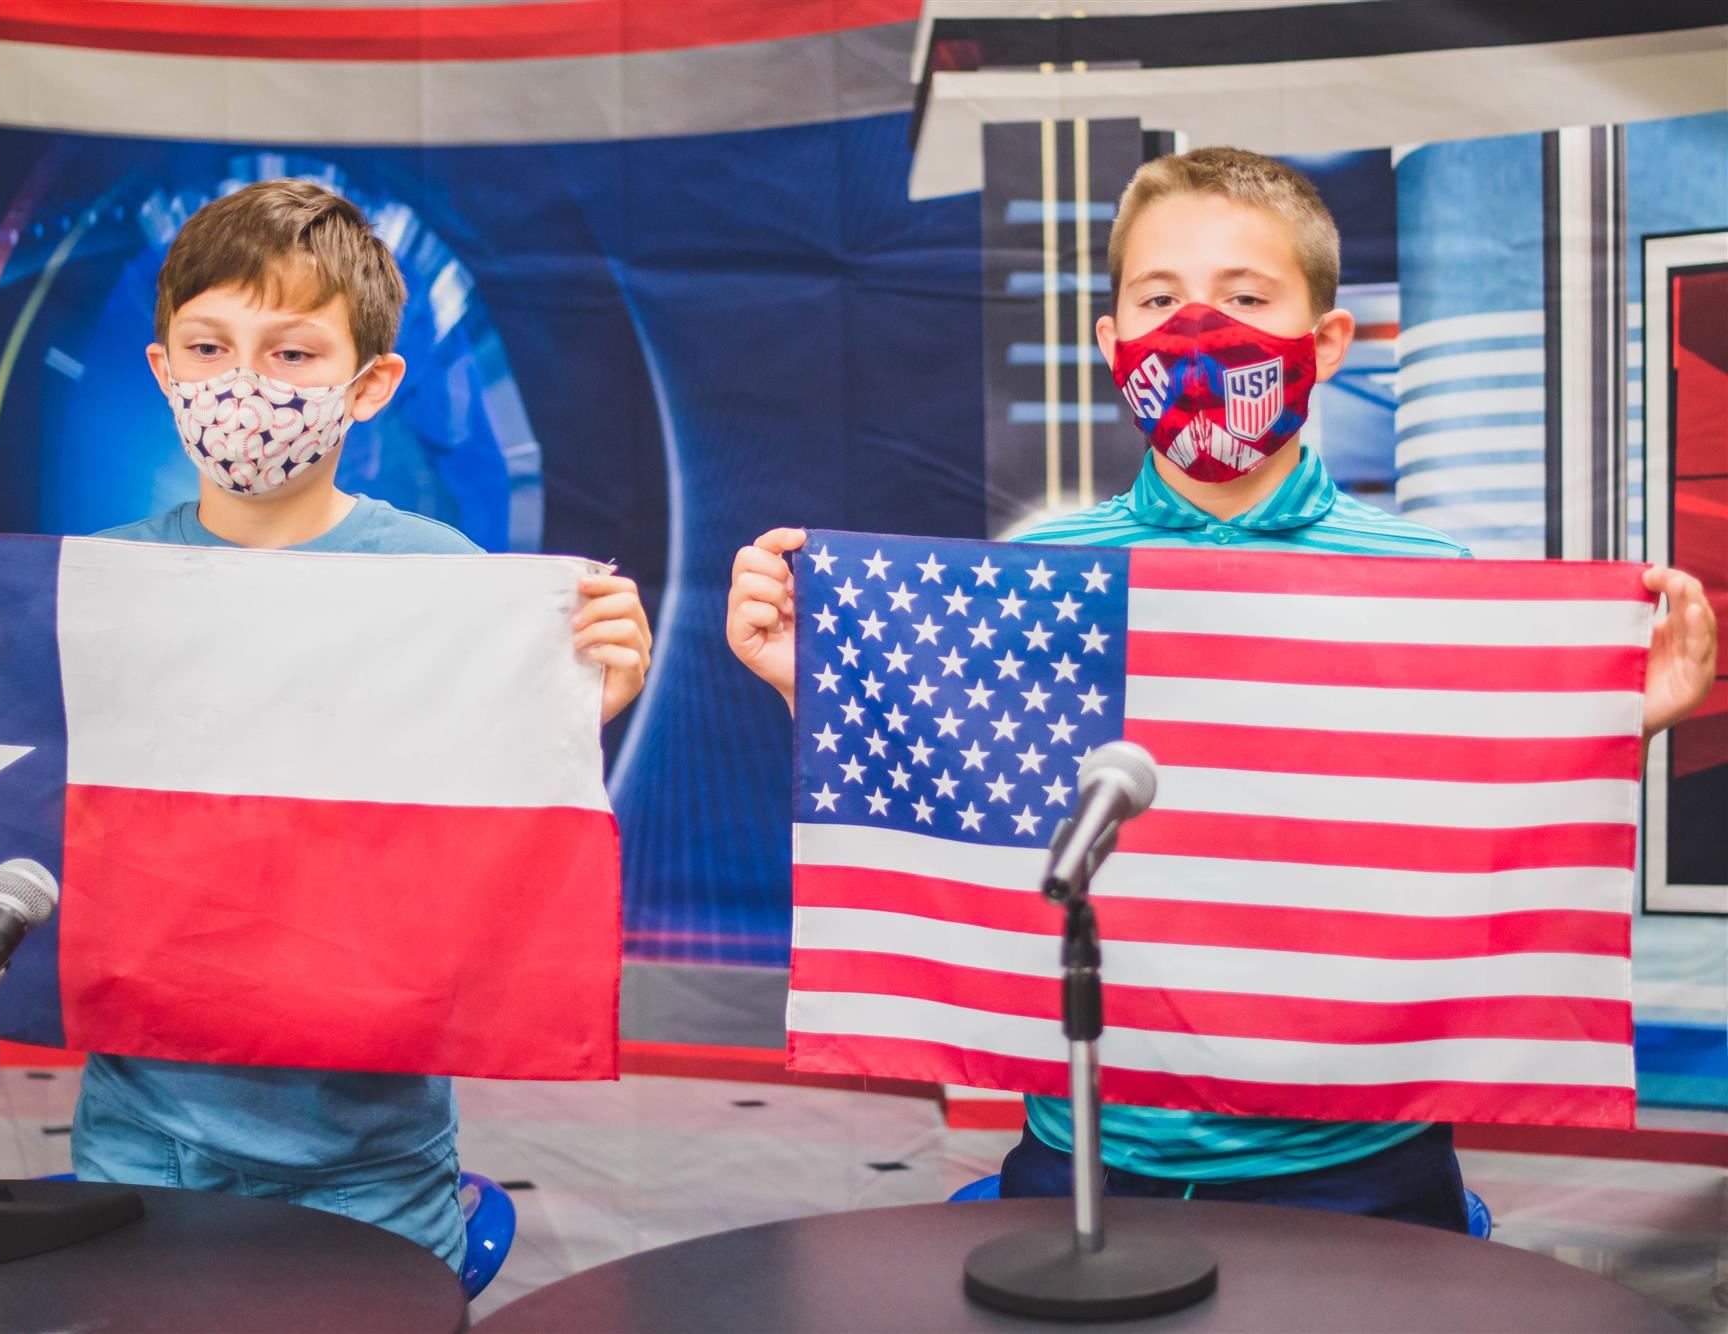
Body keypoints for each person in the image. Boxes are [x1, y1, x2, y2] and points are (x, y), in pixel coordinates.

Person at [725, 147, 1717, 1231]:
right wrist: (815, 688)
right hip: (1088, 1153)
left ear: (1324, 340)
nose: (1197, 328)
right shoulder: (1043, 570)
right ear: (1111, 344)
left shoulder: (1428, 583)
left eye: (1244, 297)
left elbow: (1471, 828)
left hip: (1366, 1160)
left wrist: (1614, 717)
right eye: (1159, 299)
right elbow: (967, 812)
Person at [0, 179, 653, 1269]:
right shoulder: (112, 584)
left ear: (371, 387)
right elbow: (16, 798)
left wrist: (569, 704)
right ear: (163, 369)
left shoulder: (441, 582)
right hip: (144, 1141)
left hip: (374, 1155)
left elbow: (481, 853)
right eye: (210, 346)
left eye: (292, 353)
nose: (243, 383)